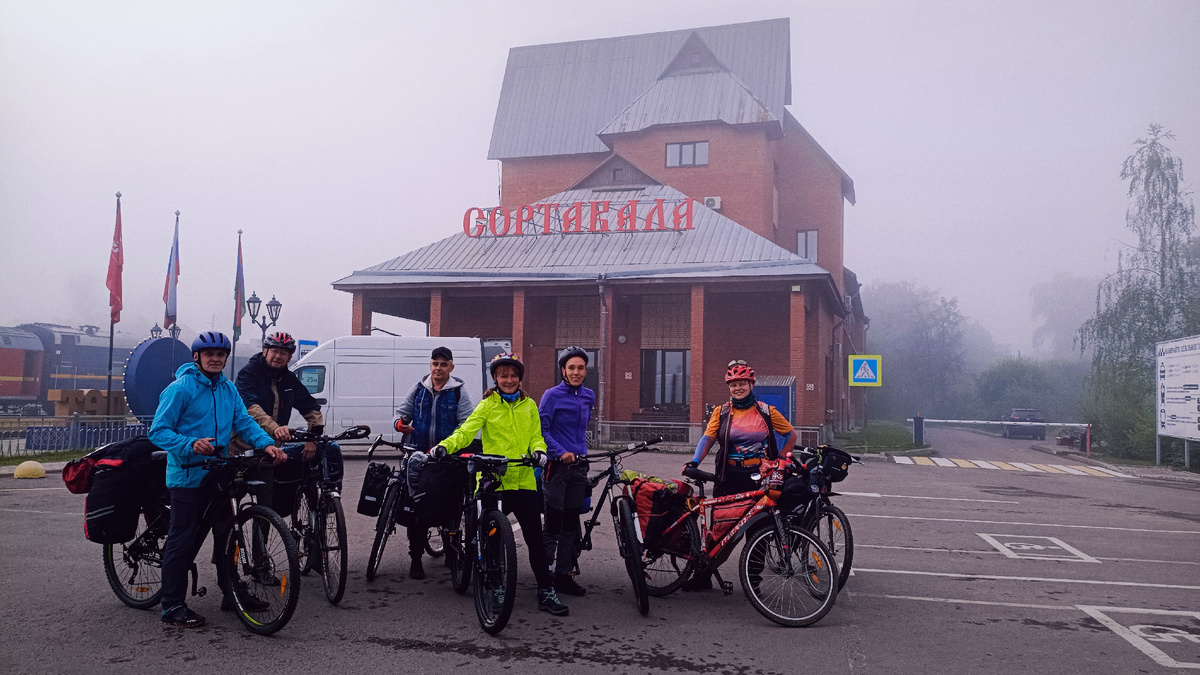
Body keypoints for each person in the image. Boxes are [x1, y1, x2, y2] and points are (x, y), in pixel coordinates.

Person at [149, 331, 286, 628]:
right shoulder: (180, 389)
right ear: (196, 357)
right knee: (183, 539)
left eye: (220, 354)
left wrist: (267, 444)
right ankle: (172, 606)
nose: (215, 358)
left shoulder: (227, 388)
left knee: (228, 537)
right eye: (209, 353)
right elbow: (158, 431)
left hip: (219, 473)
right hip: (187, 475)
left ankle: (232, 592)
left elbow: (244, 422)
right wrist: (190, 444)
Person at [433, 353, 569, 616]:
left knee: (535, 540)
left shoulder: (529, 405)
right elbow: (465, 432)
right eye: (503, 375)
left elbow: (536, 437)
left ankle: (545, 590)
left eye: (513, 375)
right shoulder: (487, 405)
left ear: (520, 378)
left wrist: (540, 451)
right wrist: (444, 446)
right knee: (491, 540)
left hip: (524, 480)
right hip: (493, 480)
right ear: (495, 378)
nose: (509, 379)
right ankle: (495, 586)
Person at [683, 360, 796, 590]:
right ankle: (704, 576)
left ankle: (753, 582)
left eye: (742, 383)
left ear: (751, 384)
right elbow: (708, 438)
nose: (738, 388)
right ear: (729, 387)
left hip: (757, 478)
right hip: (728, 476)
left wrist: (781, 458)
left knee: (758, 530)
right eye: (733, 384)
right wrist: (695, 461)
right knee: (720, 530)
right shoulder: (722, 412)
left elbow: (791, 434)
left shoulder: (766, 411)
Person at [231, 331, 339, 520]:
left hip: (272, 452)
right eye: (274, 351)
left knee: (329, 449)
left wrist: (312, 439)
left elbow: (311, 407)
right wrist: (275, 428)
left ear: (290, 356)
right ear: (265, 351)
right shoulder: (248, 374)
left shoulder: (288, 379)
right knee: (228, 511)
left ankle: (326, 502)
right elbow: (251, 408)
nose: (278, 356)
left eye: (284, 353)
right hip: (242, 450)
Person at [394, 345, 474, 580]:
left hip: (447, 459)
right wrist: (400, 424)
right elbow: (401, 413)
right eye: (435, 363)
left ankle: (451, 551)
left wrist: (449, 446)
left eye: (443, 364)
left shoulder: (459, 392)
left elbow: (467, 424)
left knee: (452, 507)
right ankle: (416, 558)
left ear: (451, 367)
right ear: (430, 365)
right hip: (418, 456)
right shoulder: (419, 389)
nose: (438, 368)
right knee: (416, 508)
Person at [538, 346, 594, 596]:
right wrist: (560, 451)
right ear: (563, 370)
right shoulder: (551, 395)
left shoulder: (589, 396)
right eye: (571, 367)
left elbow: (579, 430)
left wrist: (580, 451)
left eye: (580, 368)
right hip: (557, 467)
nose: (576, 372)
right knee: (554, 520)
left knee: (571, 521)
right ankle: (544, 574)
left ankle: (563, 574)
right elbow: (542, 430)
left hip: (579, 467)